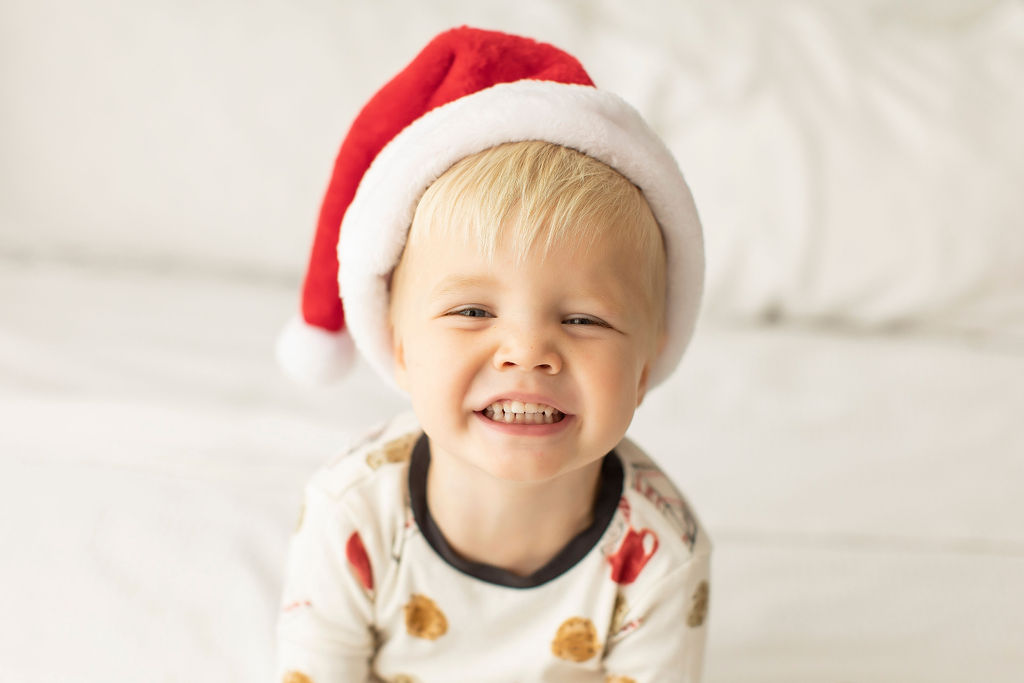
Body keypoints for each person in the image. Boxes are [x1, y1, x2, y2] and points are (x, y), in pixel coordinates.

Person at [274, 26, 710, 683]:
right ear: (397, 344)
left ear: (649, 361)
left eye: (584, 318)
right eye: (473, 311)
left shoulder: (660, 552)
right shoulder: (351, 516)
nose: (528, 352)